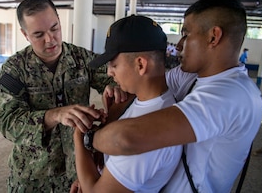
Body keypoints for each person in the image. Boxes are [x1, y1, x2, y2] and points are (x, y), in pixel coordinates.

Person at [90, 0, 262, 193]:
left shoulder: (231, 96)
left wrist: (89, 137)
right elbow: (143, 86)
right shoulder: (192, 76)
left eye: (186, 34)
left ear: (213, 37)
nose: (179, 44)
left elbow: (126, 138)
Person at [0, 0, 114, 192]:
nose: (50, 40)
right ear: (25, 34)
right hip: (32, 178)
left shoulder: (82, 59)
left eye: (54, 28)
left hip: (76, 174)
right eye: (39, 34)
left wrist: (112, 93)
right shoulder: (14, 71)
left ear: (59, 20)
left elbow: (116, 78)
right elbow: (9, 124)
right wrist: (55, 115)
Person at [73, 15, 182, 193]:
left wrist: (79, 137)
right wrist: (112, 112)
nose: (109, 72)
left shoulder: (150, 133)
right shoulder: (143, 100)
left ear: (140, 64)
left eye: (114, 65)